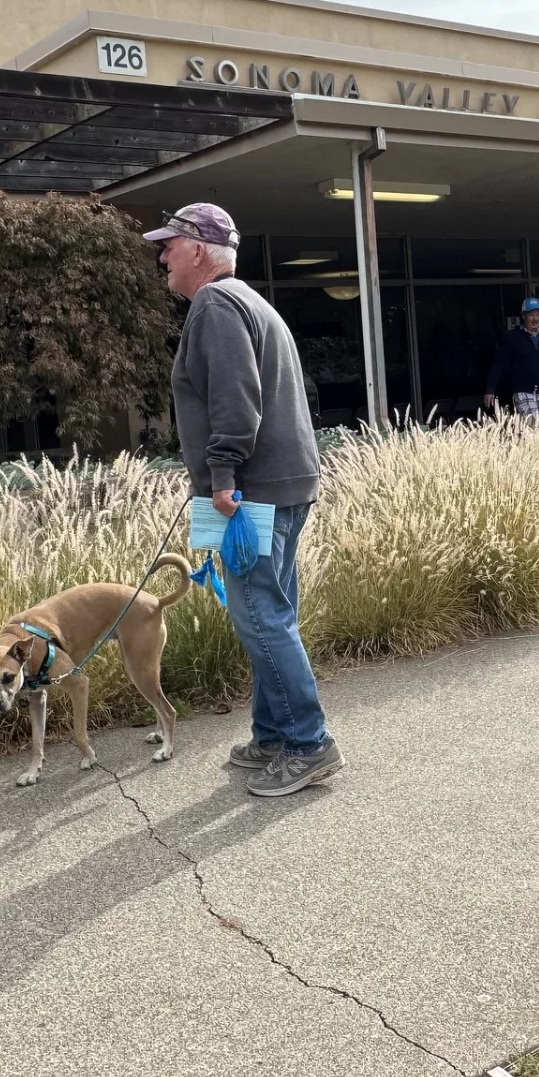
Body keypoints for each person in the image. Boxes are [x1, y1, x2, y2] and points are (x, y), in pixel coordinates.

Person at [148, 202, 343, 797]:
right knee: (268, 612)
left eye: (170, 245)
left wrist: (223, 478)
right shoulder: (250, 302)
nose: (162, 257)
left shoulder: (215, 304)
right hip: (278, 484)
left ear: (200, 250)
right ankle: (273, 735)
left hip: (246, 490)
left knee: (260, 616)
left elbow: (235, 398)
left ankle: (308, 744)